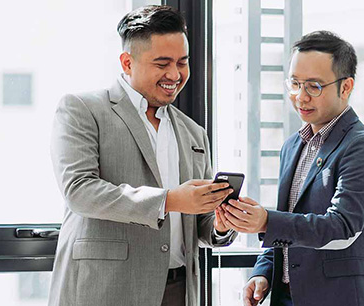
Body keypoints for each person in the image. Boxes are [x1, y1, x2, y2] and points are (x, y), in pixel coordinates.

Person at [48, 5, 236, 306]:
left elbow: (199, 224)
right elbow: (80, 191)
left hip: (178, 289)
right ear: (127, 62)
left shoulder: (194, 133)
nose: (175, 74)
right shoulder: (82, 110)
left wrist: (222, 223)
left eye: (182, 63)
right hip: (105, 290)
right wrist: (170, 200)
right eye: (162, 63)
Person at [217, 31, 364, 306]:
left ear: (345, 87)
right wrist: (263, 272)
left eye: (314, 86)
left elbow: (341, 228)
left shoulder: (362, 147)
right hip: (287, 298)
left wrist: (265, 221)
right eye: (294, 83)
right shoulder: (293, 145)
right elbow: (289, 223)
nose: (300, 97)